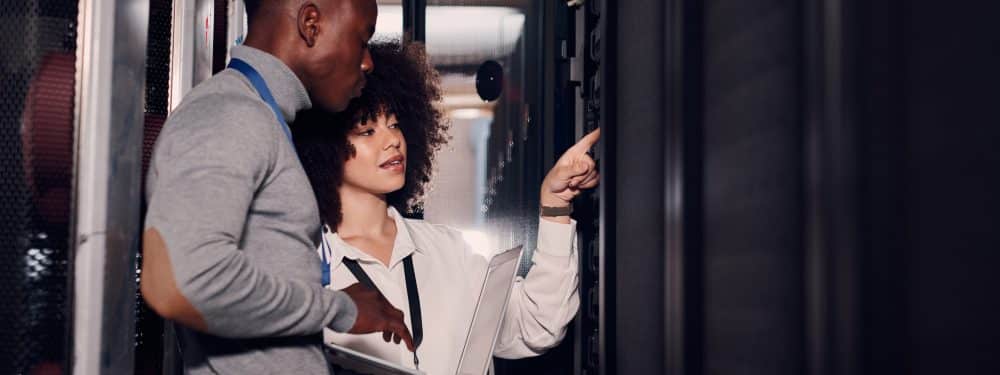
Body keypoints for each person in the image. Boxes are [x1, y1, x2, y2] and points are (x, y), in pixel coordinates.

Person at [293, 41, 600, 374]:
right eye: (367, 130)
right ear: (324, 150)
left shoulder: (448, 251)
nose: (392, 140)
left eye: (395, 124)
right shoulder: (305, 269)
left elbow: (537, 327)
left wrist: (554, 206)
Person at [141, 1, 415, 373]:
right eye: (361, 38)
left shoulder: (260, 118)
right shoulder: (230, 114)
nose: (367, 62)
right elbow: (178, 281)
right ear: (311, 24)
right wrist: (337, 309)